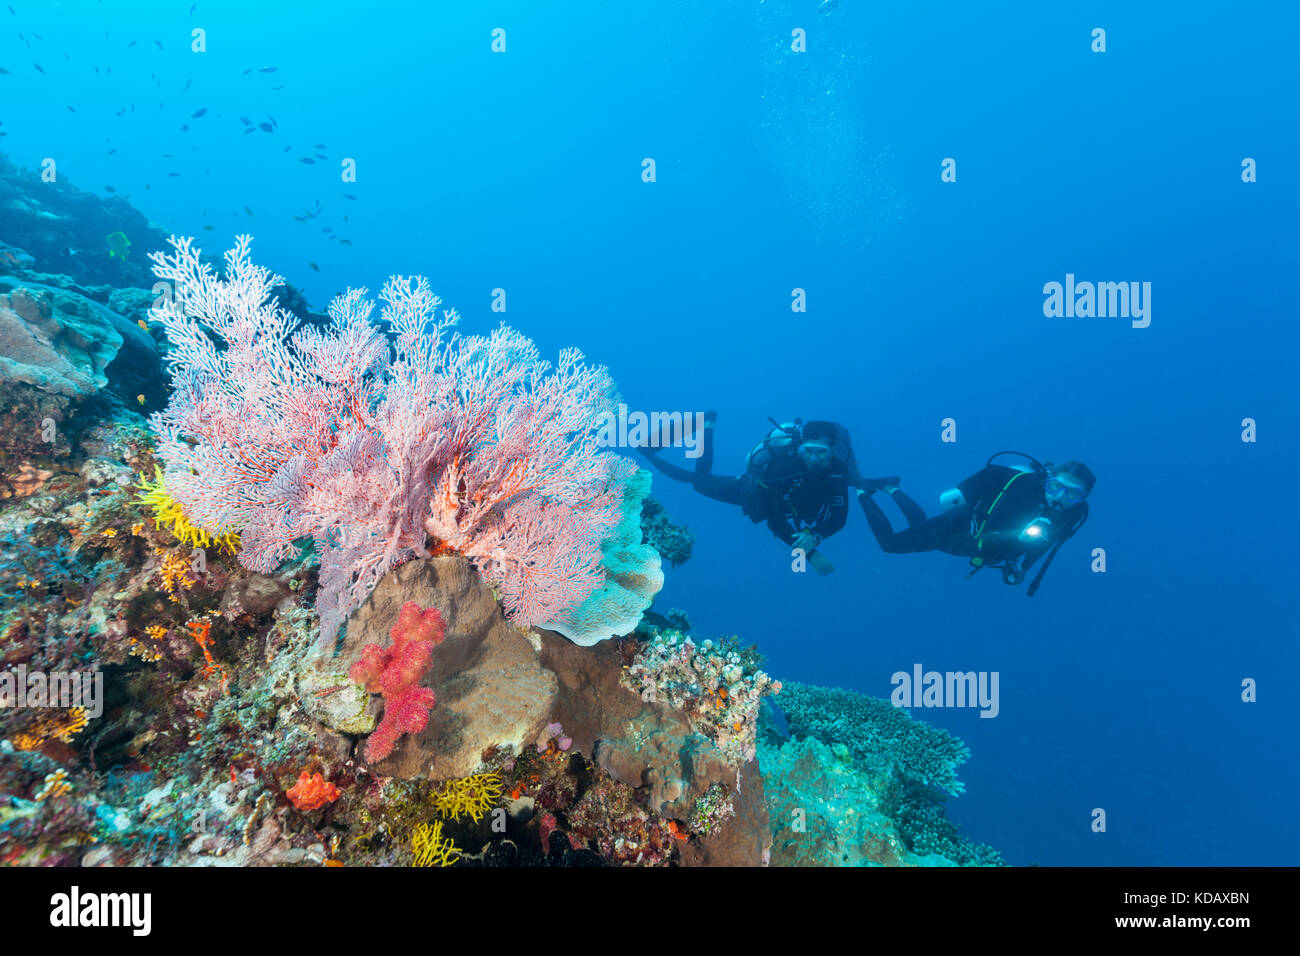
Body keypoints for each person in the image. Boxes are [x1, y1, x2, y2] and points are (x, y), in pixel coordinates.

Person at [640, 414, 895, 576]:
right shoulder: (782, 469)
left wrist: (814, 535)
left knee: (696, 481)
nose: (815, 459)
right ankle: (706, 425)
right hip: (751, 492)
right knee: (700, 483)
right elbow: (775, 519)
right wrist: (812, 554)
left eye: (822, 453)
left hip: (793, 508)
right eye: (809, 451)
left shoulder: (837, 473)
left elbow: (839, 518)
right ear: (800, 449)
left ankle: (703, 426)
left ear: (832, 452)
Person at [858, 451, 1094, 596]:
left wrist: (1023, 568)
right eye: (1056, 488)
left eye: (1073, 495)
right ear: (1047, 482)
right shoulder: (1020, 490)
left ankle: (891, 487)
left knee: (917, 525)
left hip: (982, 552)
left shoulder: (1072, 516)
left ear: (1082, 499)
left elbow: (1046, 544)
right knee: (889, 544)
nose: (1060, 499)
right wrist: (1017, 535)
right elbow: (989, 516)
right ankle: (862, 492)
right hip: (955, 533)